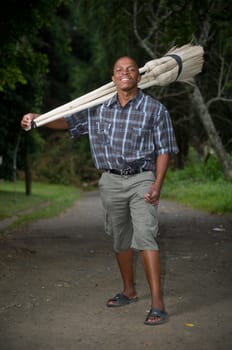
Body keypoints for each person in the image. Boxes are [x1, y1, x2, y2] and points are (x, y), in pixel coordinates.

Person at [21, 56, 178, 326]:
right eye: (119, 70)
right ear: (113, 77)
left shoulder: (155, 109)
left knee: (146, 236)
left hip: (142, 178)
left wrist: (157, 184)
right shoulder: (98, 108)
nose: (125, 73)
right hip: (110, 181)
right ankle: (128, 290)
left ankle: (157, 304)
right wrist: (39, 119)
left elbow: (164, 149)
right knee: (119, 238)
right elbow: (68, 122)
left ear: (139, 76)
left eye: (130, 69)